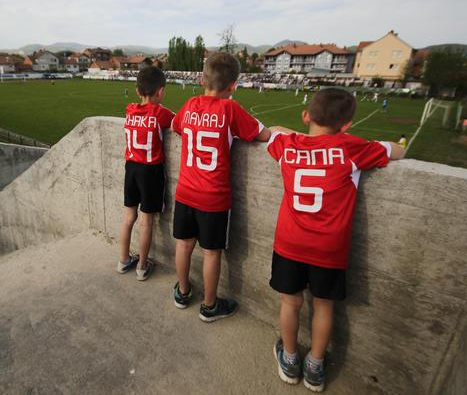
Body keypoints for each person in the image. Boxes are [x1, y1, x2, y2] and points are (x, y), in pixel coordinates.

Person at [266, 88, 405, 392]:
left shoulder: (287, 145)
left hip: (289, 242)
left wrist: (293, 131)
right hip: (329, 248)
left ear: (306, 116)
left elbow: (275, 133)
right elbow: (396, 151)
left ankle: (289, 359)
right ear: (346, 125)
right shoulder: (353, 148)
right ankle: (315, 367)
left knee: (290, 302)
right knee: (323, 306)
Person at [171, 52, 271, 322]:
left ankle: (182, 292)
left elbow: (175, 126)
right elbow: (262, 135)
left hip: (185, 192)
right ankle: (210, 306)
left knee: (183, 244)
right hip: (213, 197)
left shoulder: (190, 104)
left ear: (203, 79)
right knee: (211, 252)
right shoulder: (230, 109)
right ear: (234, 85)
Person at [119, 66, 175, 280]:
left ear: (137, 91)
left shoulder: (129, 109)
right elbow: (176, 122)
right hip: (150, 171)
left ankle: (123, 259)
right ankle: (142, 266)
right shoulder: (160, 113)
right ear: (160, 92)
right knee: (146, 221)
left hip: (130, 168)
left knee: (128, 217)